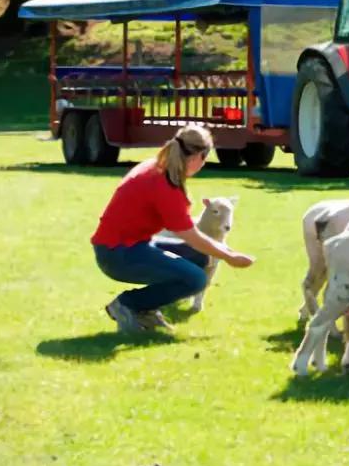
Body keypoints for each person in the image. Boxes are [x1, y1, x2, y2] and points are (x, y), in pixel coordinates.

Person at [91, 125, 255, 333]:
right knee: (196, 279)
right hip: (117, 253)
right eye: (205, 158)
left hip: (129, 246)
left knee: (200, 257)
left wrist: (227, 252)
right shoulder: (164, 183)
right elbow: (190, 235)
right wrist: (229, 257)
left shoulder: (160, 167)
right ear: (198, 157)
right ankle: (128, 304)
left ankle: (146, 309)